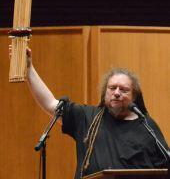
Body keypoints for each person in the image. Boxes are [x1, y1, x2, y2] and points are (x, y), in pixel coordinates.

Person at [24, 48, 169, 178]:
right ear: (105, 92)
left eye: (123, 90)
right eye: (112, 88)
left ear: (134, 97)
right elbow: (50, 103)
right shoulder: (87, 117)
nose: (117, 93)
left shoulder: (147, 126)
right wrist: (29, 69)